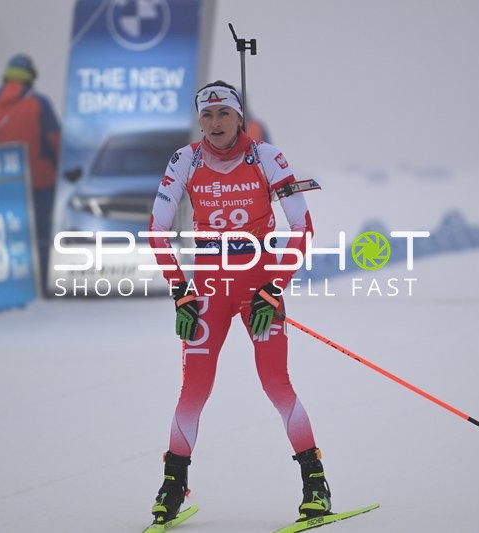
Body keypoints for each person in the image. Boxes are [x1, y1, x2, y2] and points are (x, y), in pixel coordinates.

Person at [147, 81, 331, 526]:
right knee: (193, 389)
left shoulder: (267, 157)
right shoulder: (185, 159)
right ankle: (174, 484)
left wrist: (275, 286)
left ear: (238, 116)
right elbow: (157, 228)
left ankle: (315, 483)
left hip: (257, 290)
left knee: (275, 383)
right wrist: (180, 290)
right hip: (207, 290)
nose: (215, 124)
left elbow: (302, 226)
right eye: (207, 116)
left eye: (223, 114)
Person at [0, 54, 61, 292]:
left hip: (7, 185)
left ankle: (16, 284)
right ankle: (44, 284)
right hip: (42, 180)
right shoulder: (39, 104)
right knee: (43, 234)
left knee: (14, 235)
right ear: (30, 78)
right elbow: (55, 140)